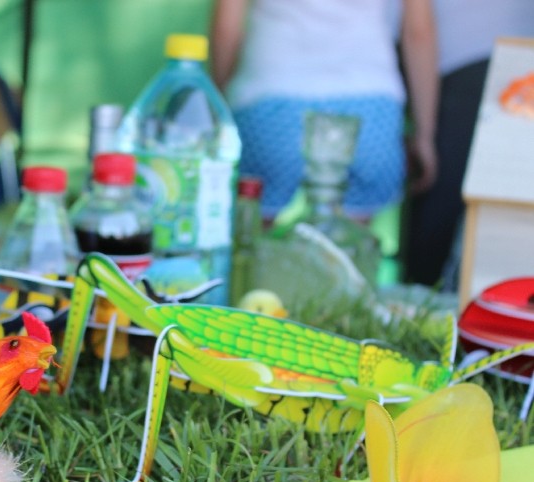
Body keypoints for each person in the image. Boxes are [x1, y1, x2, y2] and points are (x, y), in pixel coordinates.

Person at [210, 0, 439, 222]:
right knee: (349, 241)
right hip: (369, 104)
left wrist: (219, 109)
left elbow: (226, 29)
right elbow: (419, 32)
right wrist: (425, 135)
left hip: (271, 98)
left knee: (252, 232)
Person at [403, 0, 534, 288]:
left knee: (439, 220)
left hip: (465, 74)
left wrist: (424, 133)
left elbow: (418, 30)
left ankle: (423, 303)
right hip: (520, 66)